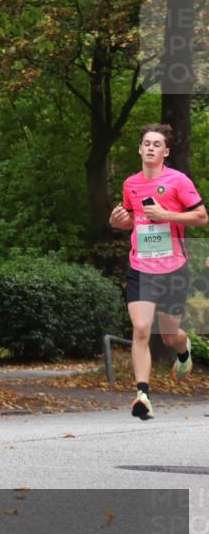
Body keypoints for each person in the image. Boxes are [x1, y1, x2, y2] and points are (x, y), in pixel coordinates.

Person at [109, 123, 207, 420]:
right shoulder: (131, 184)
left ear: (165, 152)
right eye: (146, 143)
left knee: (167, 335)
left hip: (174, 268)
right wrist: (117, 222)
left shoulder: (178, 181)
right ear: (140, 149)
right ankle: (142, 396)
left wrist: (167, 215)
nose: (150, 147)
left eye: (156, 144)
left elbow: (201, 217)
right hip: (141, 266)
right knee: (141, 329)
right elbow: (132, 219)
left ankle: (184, 348)